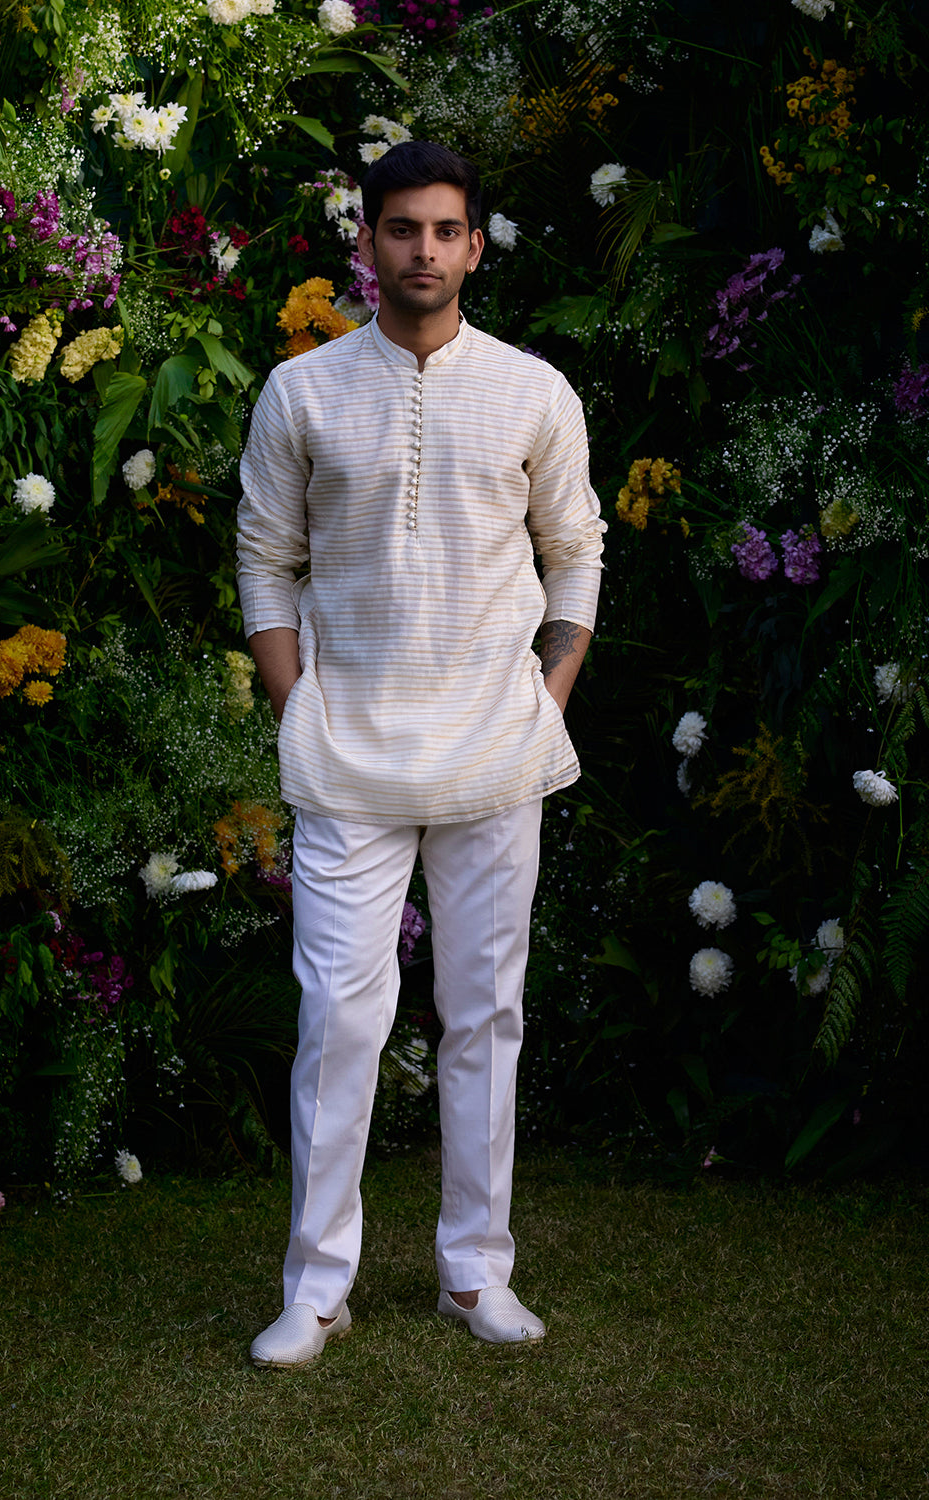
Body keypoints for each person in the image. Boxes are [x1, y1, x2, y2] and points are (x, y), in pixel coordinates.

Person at [236, 140, 605, 1367]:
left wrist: (544, 698)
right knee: (339, 1019)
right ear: (369, 242)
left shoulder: (533, 391)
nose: (425, 250)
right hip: (348, 749)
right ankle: (316, 1288)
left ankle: (474, 1273)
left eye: (446, 230)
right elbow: (264, 558)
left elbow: (576, 549)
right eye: (402, 228)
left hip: (495, 748)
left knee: (483, 1015)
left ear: (476, 247)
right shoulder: (303, 391)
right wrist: (297, 707)